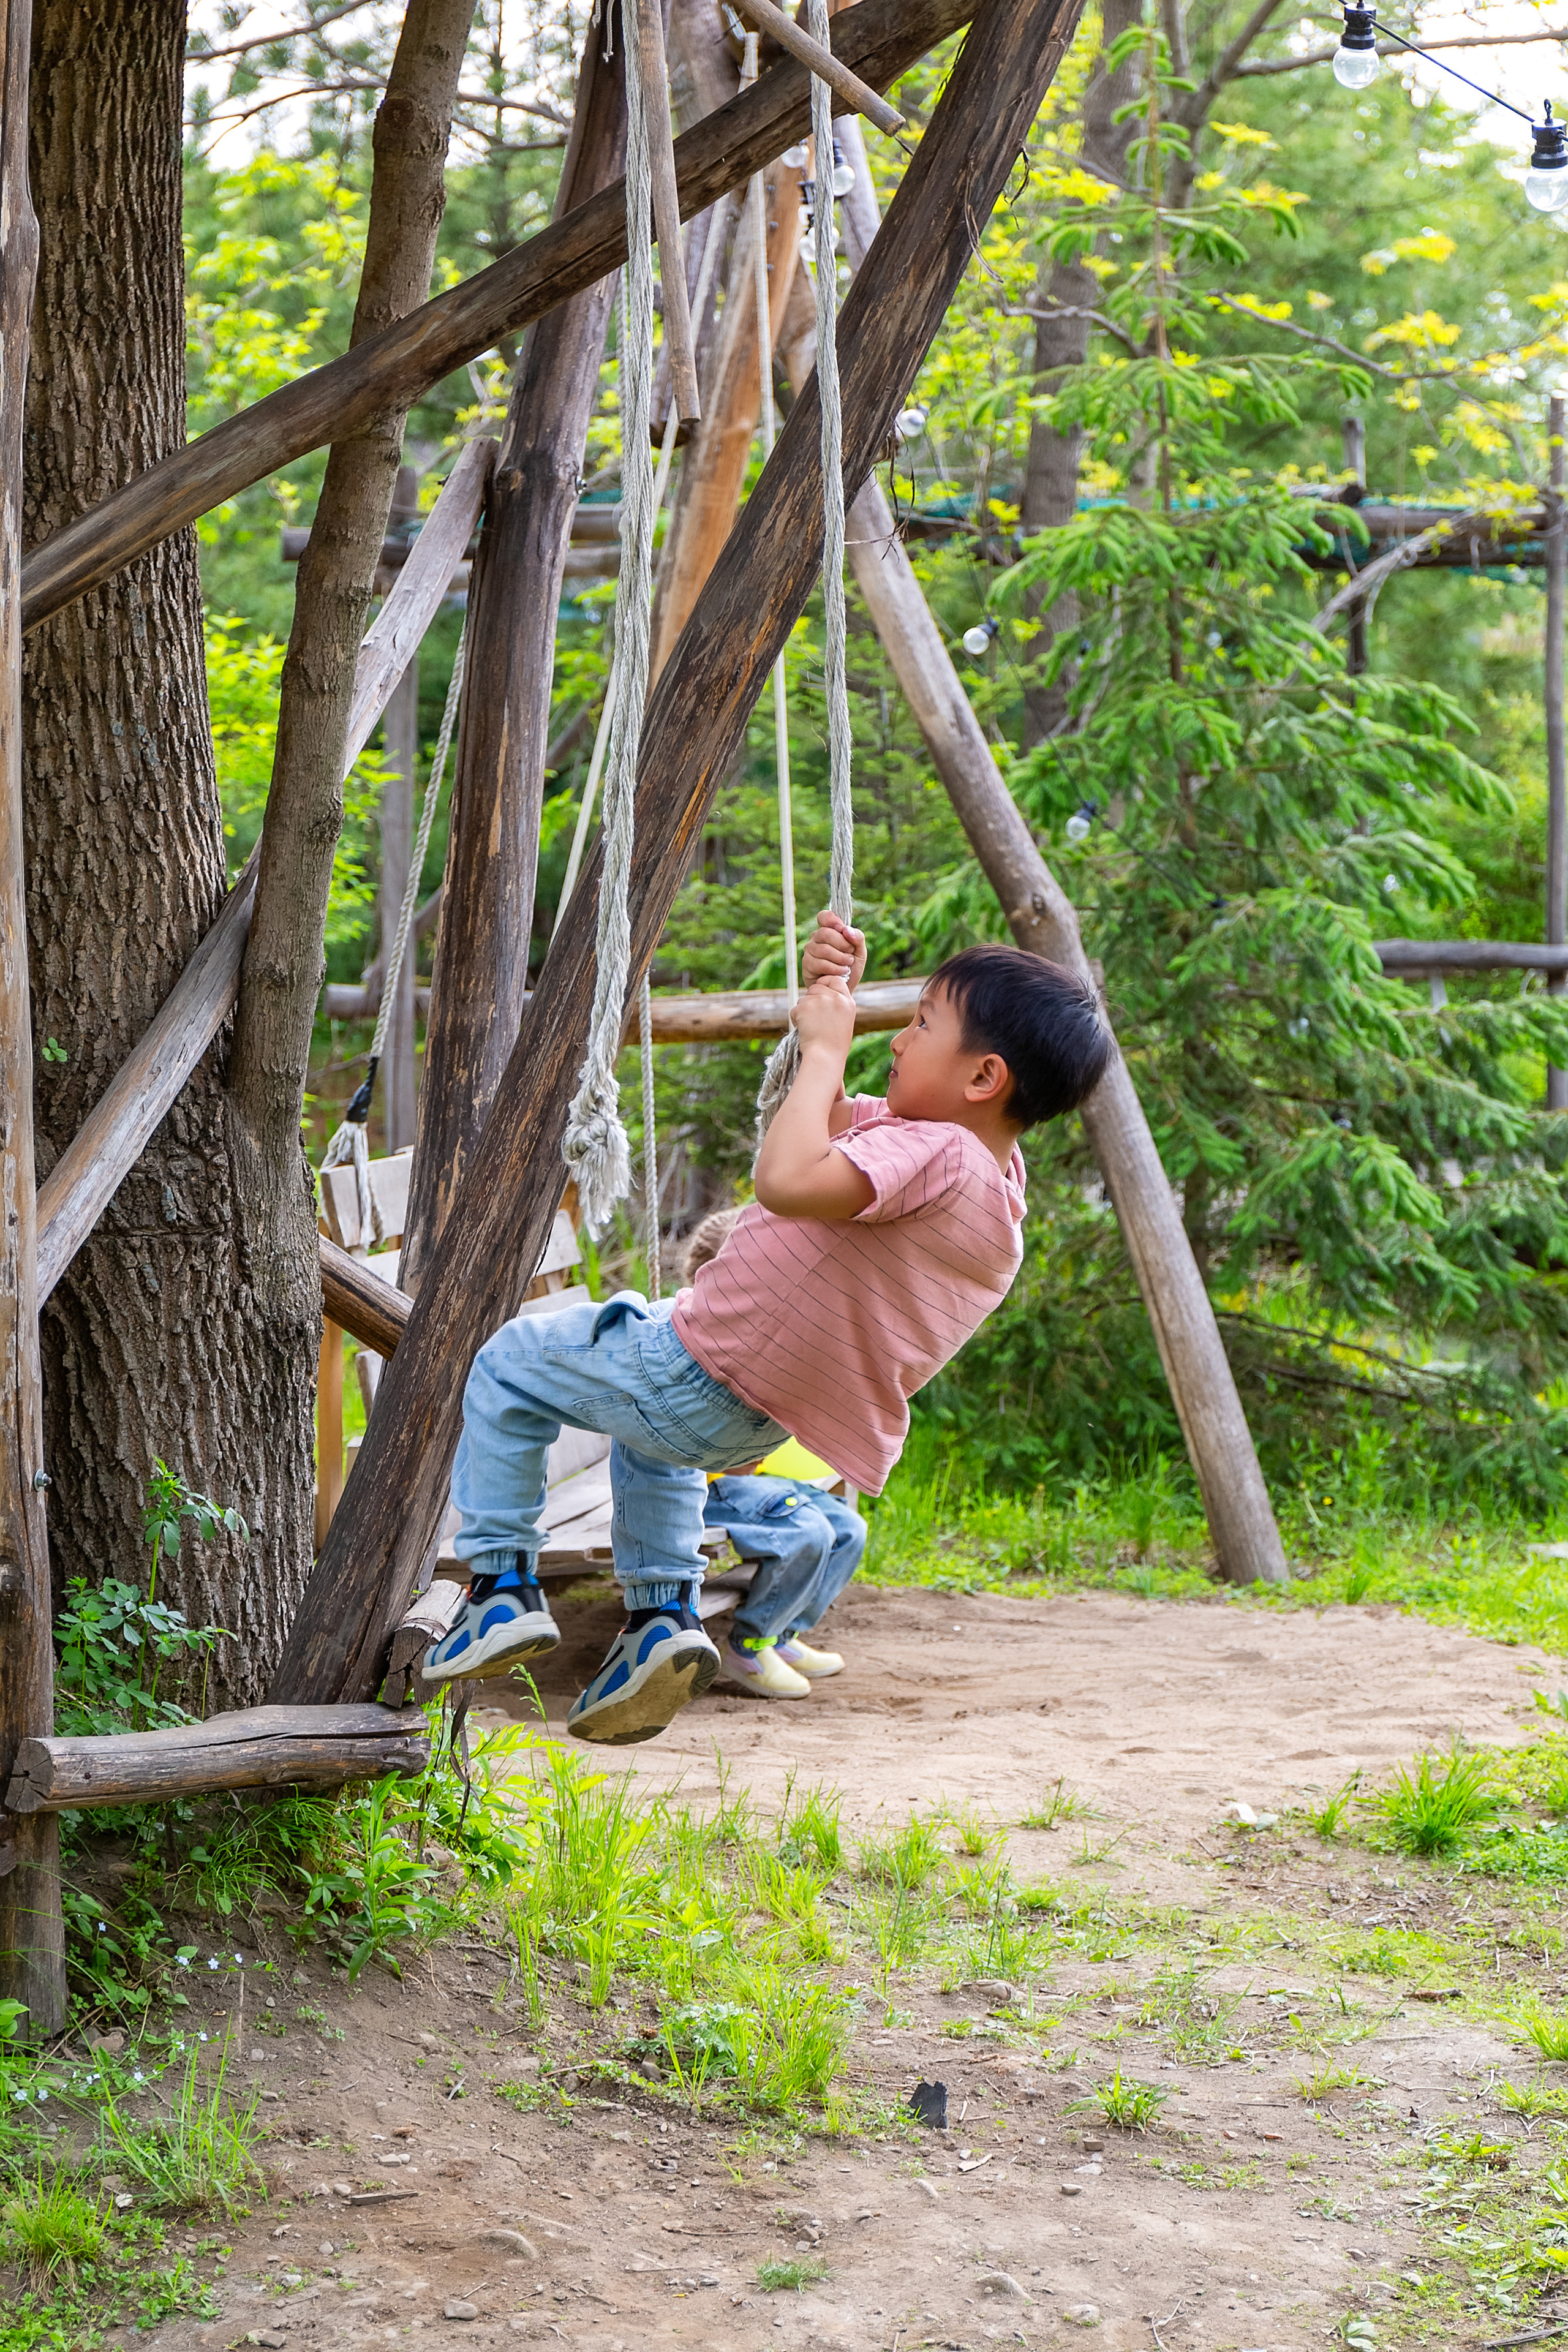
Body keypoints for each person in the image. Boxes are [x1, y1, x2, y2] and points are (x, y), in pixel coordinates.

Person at [425, 916, 1112, 1746]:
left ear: (984, 1076)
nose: (896, 1042)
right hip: (748, 1411)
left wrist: (827, 1049)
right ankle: (661, 1620)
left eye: (924, 1022)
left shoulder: (941, 1157)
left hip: (700, 1369)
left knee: (508, 1361)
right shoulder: (992, 1181)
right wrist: (826, 1001)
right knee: (655, 1440)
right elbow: (819, 1123)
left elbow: (786, 1178)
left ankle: (498, 1587)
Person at [678, 1207, 868, 1702]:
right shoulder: (697, 1334)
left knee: (849, 1530)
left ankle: (783, 1634)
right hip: (703, 1482)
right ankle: (750, 1643)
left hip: (748, 1477)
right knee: (808, 1531)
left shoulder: (761, 1331)